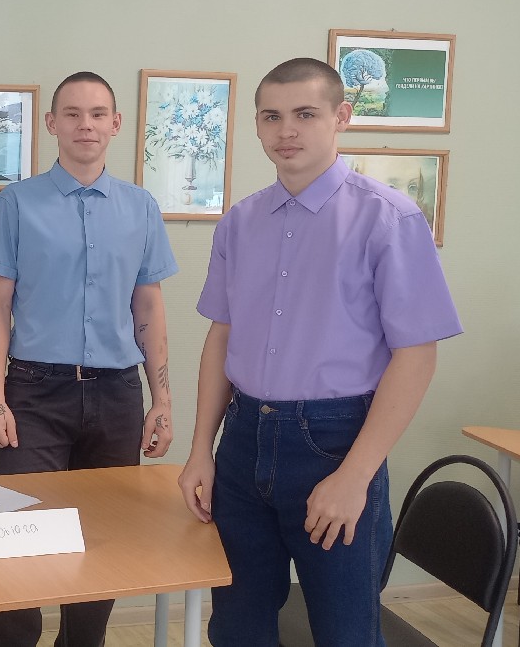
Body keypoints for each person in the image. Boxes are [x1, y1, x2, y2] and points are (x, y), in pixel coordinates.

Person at [178, 58, 463, 646]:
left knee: (344, 630)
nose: (287, 131)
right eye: (271, 117)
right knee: (237, 626)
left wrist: (355, 476)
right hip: (243, 442)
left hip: (335, 444)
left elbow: (416, 356)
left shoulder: (389, 218)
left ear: (341, 117)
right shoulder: (239, 222)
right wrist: (201, 449)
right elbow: (222, 337)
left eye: (305, 114)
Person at [0, 72, 178, 646]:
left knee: (102, 541)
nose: (85, 125)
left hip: (117, 394)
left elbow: (148, 308)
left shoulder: (140, 207)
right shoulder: (17, 202)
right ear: (52, 124)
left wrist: (162, 400)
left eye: (96, 114)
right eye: (71, 113)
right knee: (19, 539)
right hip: (35, 394)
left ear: (115, 123)